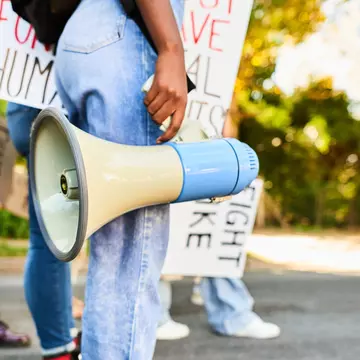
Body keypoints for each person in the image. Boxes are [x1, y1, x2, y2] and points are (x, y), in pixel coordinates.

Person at [54, 0, 189, 359]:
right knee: (132, 253)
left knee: (114, 250)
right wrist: (171, 49)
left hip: (80, 42)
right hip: (124, 38)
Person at [6, 103, 81, 360]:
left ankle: (61, 339)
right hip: (55, 112)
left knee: (47, 240)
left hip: (26, 109)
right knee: (55, 240)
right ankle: (59, 346)